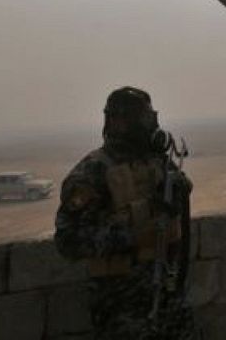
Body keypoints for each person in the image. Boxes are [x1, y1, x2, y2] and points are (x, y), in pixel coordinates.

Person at [54, 87, 198, 339]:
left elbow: (178, 199)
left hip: (168, 297)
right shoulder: (93, 172)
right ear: (118, 122)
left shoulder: (157, 161)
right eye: (144, 119)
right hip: (123, 306)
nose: (150, 126)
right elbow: (70, 242)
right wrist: (136, 227)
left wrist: (178, 191)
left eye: (151, 118)